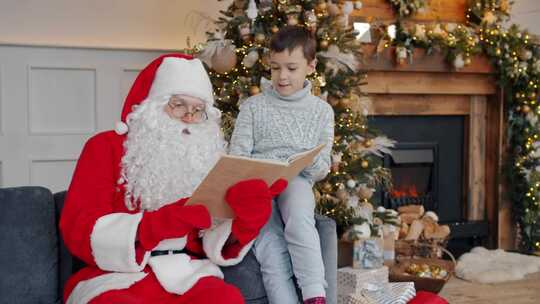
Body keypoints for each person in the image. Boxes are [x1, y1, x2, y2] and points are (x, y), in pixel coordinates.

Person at [59, 54, 286, 304]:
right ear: (152, 106)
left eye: (198, 110)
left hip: (188, 275)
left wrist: (245, 223)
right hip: (115, 277)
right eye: (178, 104)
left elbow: (210, 239)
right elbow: (79, 228)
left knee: (226, 299)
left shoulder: (207, 157)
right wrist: (156, 225)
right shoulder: (104, 147)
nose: (189, 117)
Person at [229, 25, 334, 304]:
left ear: (310, 66)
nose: (282, 76)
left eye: (291, 68)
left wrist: (302, 162)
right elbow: (237, 156)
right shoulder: (253, 107)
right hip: (256, 187)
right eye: (275, 68)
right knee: (271, 245)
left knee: (299, 217)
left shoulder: (321, 112)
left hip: (296, 179)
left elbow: (322, 166)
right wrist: (260, 170)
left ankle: (315, 295)